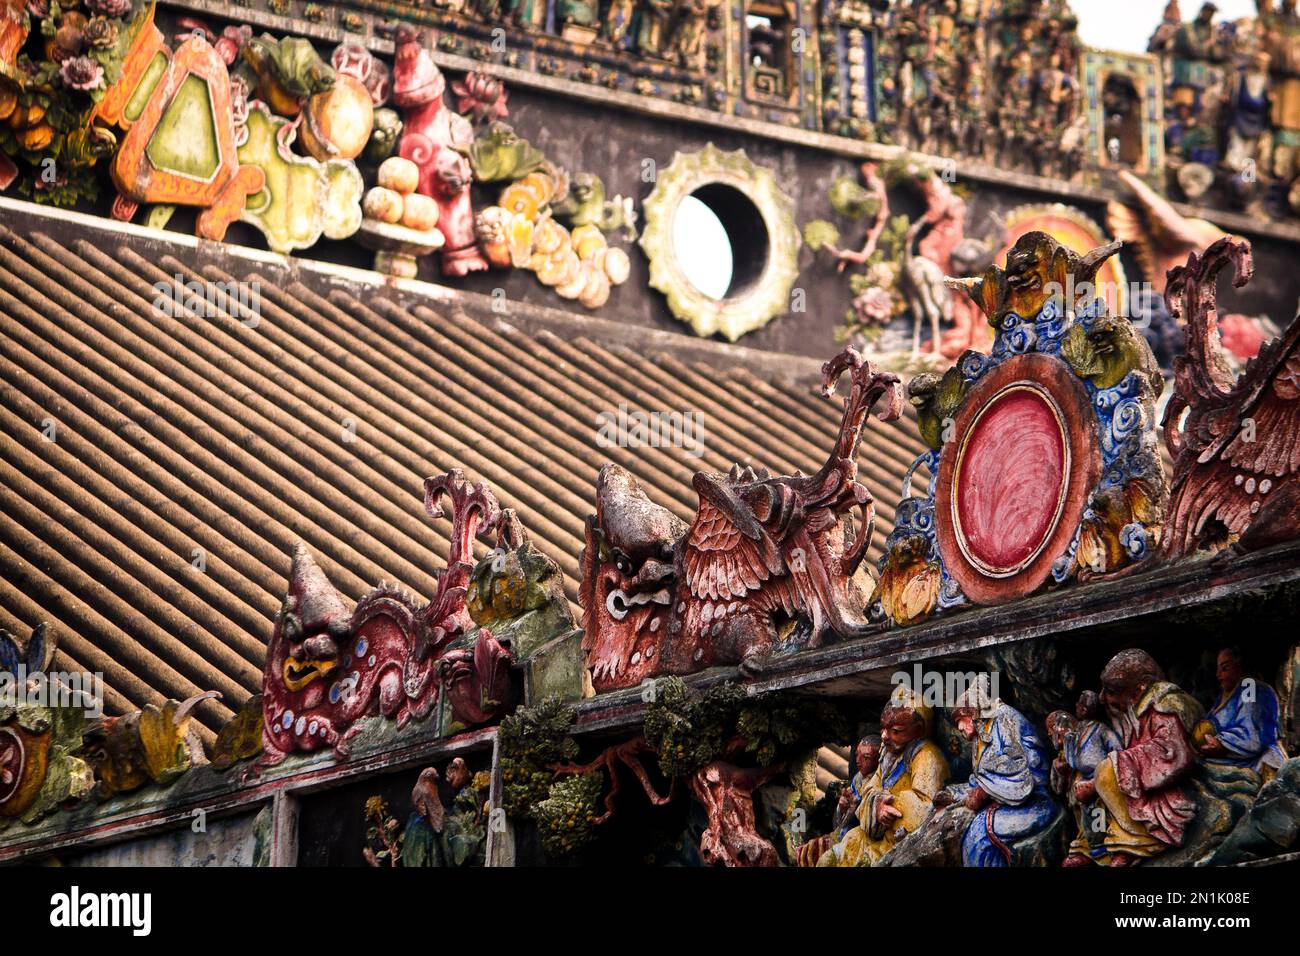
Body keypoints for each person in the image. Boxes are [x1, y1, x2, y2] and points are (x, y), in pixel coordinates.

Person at [1081, 648, 1201, 866]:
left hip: (1173, 787)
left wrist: (1118, 765)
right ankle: (1100, 847)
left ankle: (1139, 841)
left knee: (1107, 771)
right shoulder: (1133, 712)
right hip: (1145, 786)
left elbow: (1172, 753)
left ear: (1139, 689)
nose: (1102, 698)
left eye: (1111, 691)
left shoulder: (1164, 704)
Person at [818, 688, 949, 866]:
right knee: (829, 859)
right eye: (883, 728)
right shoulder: (887, 757)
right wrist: (876, 805)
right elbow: (869, 791)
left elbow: (926, 805)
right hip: (870, 836)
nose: (884, 736)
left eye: (895, 730)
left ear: (918, 730)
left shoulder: (926, 756)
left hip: (898, 841)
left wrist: (891, 805)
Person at [937, 676, 1058, 867]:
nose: (960, 727)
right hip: (1005, 799)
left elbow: (1018, 765)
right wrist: (954, 795)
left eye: (961, 719)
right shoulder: (981, 733)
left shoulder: (1003, 717)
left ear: (973, 711)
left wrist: (983, 791)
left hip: (1034, 800)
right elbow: (980, 777)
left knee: (979, 836)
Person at [1195, 647, 1288, 784]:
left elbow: (1253, 734)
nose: (1218, 675)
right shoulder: (1224, 696)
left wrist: (1221, 743)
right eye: (1217, 669)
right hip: (1222, 764)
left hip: (1251, 765)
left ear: (1240, 666)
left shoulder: (1250, 686)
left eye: (1225, 668)